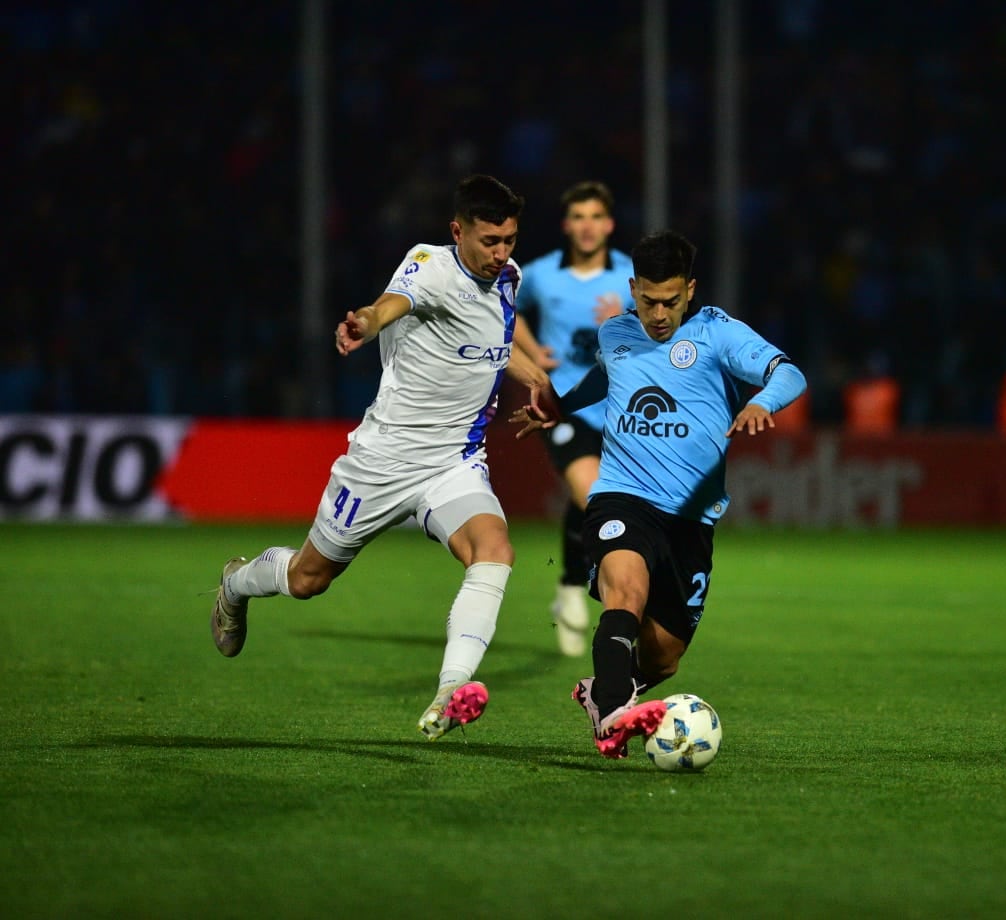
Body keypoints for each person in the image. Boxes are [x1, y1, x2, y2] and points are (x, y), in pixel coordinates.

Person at [209, 174, 556, 741]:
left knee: (494, 550)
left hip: (453, 461)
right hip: (383, 462)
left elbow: (490, 349)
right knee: (307, 580)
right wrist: (365, 322)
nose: (500, 253)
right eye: (489, 240)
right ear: (457, 231)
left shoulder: (508, 279)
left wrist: (535, 379)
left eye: (509, 240)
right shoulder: (429, 265)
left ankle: (451, 689)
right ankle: (236, 584)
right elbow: (391, 305)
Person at [512, 230, 808, 758]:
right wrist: (559, 404)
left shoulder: (718, 334)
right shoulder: (616, 332)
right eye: (648, 300)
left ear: (690, 290)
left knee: (664, 658)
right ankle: (611, 713)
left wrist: (764, 402)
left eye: (671, 300)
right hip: (622, 496)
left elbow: (788, 372)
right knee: (626, 592)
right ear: (633, 289)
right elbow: (606, 379)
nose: (659, 313)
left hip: (691, 518)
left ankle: (604, 690)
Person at [512, 181, 635, 657]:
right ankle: (596, 591)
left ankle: (567, 587)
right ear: (568, 225)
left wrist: (623, 321)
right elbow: (508, 307)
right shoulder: (541, 275)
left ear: (609, 224)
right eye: (578, 217)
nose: (587, 226)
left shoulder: (629, 276)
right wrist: (530, 351)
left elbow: (659, 332)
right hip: (564, 402)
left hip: (618, 408)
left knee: (591, 498)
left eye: (595, 217)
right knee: (592, 493)